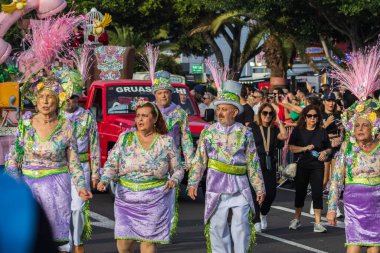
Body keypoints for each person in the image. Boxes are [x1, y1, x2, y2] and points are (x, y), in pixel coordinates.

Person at [5, 69, 93, 253]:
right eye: (42, 97)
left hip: (57, 188)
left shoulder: (66, 126)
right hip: (28, 187)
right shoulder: (25, 123)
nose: (45, 101)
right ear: (36, 101)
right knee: (28, 237)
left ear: (58, 100)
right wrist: (13, 185)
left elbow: (74, 162)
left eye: (50, 97)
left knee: (56, 241)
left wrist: (81, 186)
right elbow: (14, 156)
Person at [188, 80, 265, 253]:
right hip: (216, 184)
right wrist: (193, 182)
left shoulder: (245, 133)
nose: (220, 113)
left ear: (235, 112)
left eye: (224, 109)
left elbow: (253, 161)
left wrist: (259, 188)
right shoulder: (208, 131)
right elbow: (200, 159)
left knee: (242, 225)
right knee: (217, 226)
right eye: (218, 109)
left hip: (240, 185)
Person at [97, 102, 184, 253]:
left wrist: (174, 180)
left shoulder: (166, 141)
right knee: (124, 244)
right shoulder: (125, 138)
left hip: (154, 198)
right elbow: (111, 164)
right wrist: (104, 179)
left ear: (155, 118)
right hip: (126, 198)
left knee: (148, 243)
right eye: (138, 116)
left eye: (145, 116)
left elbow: (178, 169)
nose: (140, 120)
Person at [327, 42, 380, 252]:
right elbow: (335, 181)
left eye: (364, 125)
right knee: (354, 247)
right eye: (357, 125)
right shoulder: (347, 151)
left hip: (377, 204)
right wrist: (332, 209)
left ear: (373, 128)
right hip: (354, 203)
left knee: (375, 248)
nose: (360, 129)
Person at [64, 73, 101, 253]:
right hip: (60, 168)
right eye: (65, 97)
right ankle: (65, 244)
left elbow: (95, 145)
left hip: (82, 166)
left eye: (71, 97)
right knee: (62, 208)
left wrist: (95, 173)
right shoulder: (55, 117)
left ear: (78, 98)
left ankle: (78, 241)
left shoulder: (87, 117)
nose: (68, 100)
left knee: (78, 208)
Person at [288, 104, 331, 233]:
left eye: (315, 116)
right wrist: (304, 148)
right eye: (309, 116)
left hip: (317, 166)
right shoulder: (298, 130)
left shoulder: (322, 131)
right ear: (305, 117)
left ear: (318, 118)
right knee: (300, 192)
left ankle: (318, 223)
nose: (312, 118)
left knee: (317, 193)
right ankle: (296, 219)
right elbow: (290, 147)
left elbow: (329, 147)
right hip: (302, 165)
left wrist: (325, 153)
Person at [249, 103, 288, 232]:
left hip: (270, 163)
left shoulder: (274, 129)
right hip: (255, 164)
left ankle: (263, 214)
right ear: (260, 114)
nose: (267, 116)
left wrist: (279, 121)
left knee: (270, 193)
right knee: (255, 193)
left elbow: (284, 136)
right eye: (265, 113)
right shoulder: (253, 127)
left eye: (270, 114)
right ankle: (256, 220)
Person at [151, 70, 194, 170]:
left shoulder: (180, 113)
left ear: (171, 93)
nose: (163, 96)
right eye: (160, 93)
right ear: (155, 94)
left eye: (166, 92)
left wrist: (189, 161)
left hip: (173, 159)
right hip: (151, 159)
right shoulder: (149, 110)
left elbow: (186, 138)